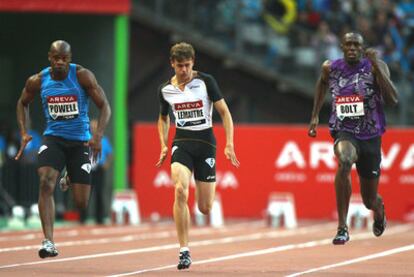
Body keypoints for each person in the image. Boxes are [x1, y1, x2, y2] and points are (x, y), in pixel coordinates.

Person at [15, 40, 111, 258]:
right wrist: (23, 131)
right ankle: (48, 240)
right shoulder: (38, 80)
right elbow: (22, 103)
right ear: (49, 57)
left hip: (80, 142)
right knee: (45, 182)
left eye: (64, 59)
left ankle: (69, 176)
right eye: (56, 58)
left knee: (80, 203)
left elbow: (105, 106)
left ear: (70, 58)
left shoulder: (82, 76)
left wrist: (98, 135)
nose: (59, 62)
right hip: (54, 139)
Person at [308, 32, 398, 245]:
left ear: (362, 47)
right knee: (345, 160)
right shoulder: (331, 68)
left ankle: (379, 209)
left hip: (371, 136)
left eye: (356, 45)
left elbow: (393, 99)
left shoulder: (377, 66)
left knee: (369, 200)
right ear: (342, 46)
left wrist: (377, 67)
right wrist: (314, 115)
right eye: (348, 44)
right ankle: (342, 227)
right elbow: (321, 84)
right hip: (344, 130)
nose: (352, 48)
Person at [156, 42, 240, 270]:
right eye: (179, 66)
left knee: (205, 207)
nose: (184, 70)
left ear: (193, 63)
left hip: (205, 144)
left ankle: (199, 210)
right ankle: (184, 250)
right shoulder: (165, 89)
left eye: (187, 65)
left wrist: (229, 143)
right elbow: (163, 118)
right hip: (181, 143)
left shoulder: (206, 81)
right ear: (172, 63)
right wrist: (164, 144)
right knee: (180, 190)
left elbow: (225, 113)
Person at [79, 119, 113, 224]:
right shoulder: (85, 139)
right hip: (87, 169)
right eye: (91, 127)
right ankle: (83, 218)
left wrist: (106, 164)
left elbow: (110, 154)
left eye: (95, 127)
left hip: (98, 169)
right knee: (85, 194)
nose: (93, 129)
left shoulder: (104, 140)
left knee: (99, 194)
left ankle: (100, 218)